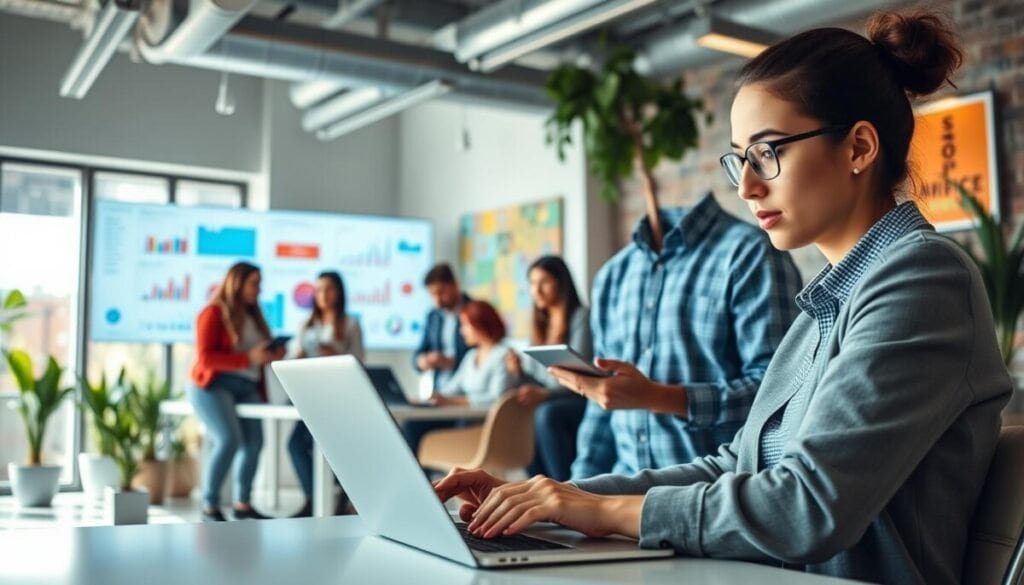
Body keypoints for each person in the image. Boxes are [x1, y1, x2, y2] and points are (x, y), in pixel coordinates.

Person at [434, 10, 1013, 584]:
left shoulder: (923, 279)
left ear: (859, 147)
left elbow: (807, 507)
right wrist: (550, 494)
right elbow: (733, 466)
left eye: (768, 153)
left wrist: (602, 511)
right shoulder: (827, 304)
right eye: (741, 158)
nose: (746, 185)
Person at [570, 196, 801, 480]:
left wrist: (659, 397)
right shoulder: (612, 275)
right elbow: (602, 409)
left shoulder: (750, 253)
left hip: (716, 494)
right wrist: (575, 487)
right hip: (623, 490)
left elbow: (782, 394)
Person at [189, 261, 286, 522]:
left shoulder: (256, 316)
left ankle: (243, 504)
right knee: (228, 440)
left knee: (255, 444)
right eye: (254, 283)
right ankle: (210, 505)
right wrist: (248, 358)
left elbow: (256, 356)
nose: (259, 289)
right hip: (214, 385)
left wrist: (271, 354)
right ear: (237, 283)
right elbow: (206, 358)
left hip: (247, 386)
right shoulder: (212, 313)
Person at [504, 256, 591, 480]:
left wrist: (544, 394)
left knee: (547, 414)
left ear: (561, 284)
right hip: (552, 397)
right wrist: (520, 373)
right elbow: (540, 381)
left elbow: (578, 373)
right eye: (532, 284)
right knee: (519, 411)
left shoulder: (580, 317)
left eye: (543, 282)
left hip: (580, 396)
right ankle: (537, 486)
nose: (536, 290)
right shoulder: (540, 326)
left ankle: (562, 486)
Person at [287, 271, 364, 517]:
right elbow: (293, 360)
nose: (324, 295)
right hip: (309, 395)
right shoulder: (307, 326)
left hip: (338, 396)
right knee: (295, 444)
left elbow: (359, 363)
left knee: (335, 448)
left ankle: (339, 498)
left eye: (329, 289)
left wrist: (335, 354)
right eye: (319, 289)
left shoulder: (350, 324)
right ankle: (313, 498)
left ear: (339, 292)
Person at [405, 300, 515, 453]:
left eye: (465, 325)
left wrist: (455, 401)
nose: (462, 331)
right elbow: (451, 388)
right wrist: (427, 399)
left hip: (485, 427)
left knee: (419, 431)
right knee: (412, 426)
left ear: (480, 325)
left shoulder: (504, 355)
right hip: (467, 420)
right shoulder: (471, 356)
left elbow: (497, 399)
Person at [412, 263, 472, 392]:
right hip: (440, 389)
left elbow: (484, 354)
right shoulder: (433, 317)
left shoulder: (474, 311)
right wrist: (422, 361)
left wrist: (452, 362)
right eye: (432, 295)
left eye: (441, 292)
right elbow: (419, 353)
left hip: (467, 390)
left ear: (455, 285)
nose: (437, 300)